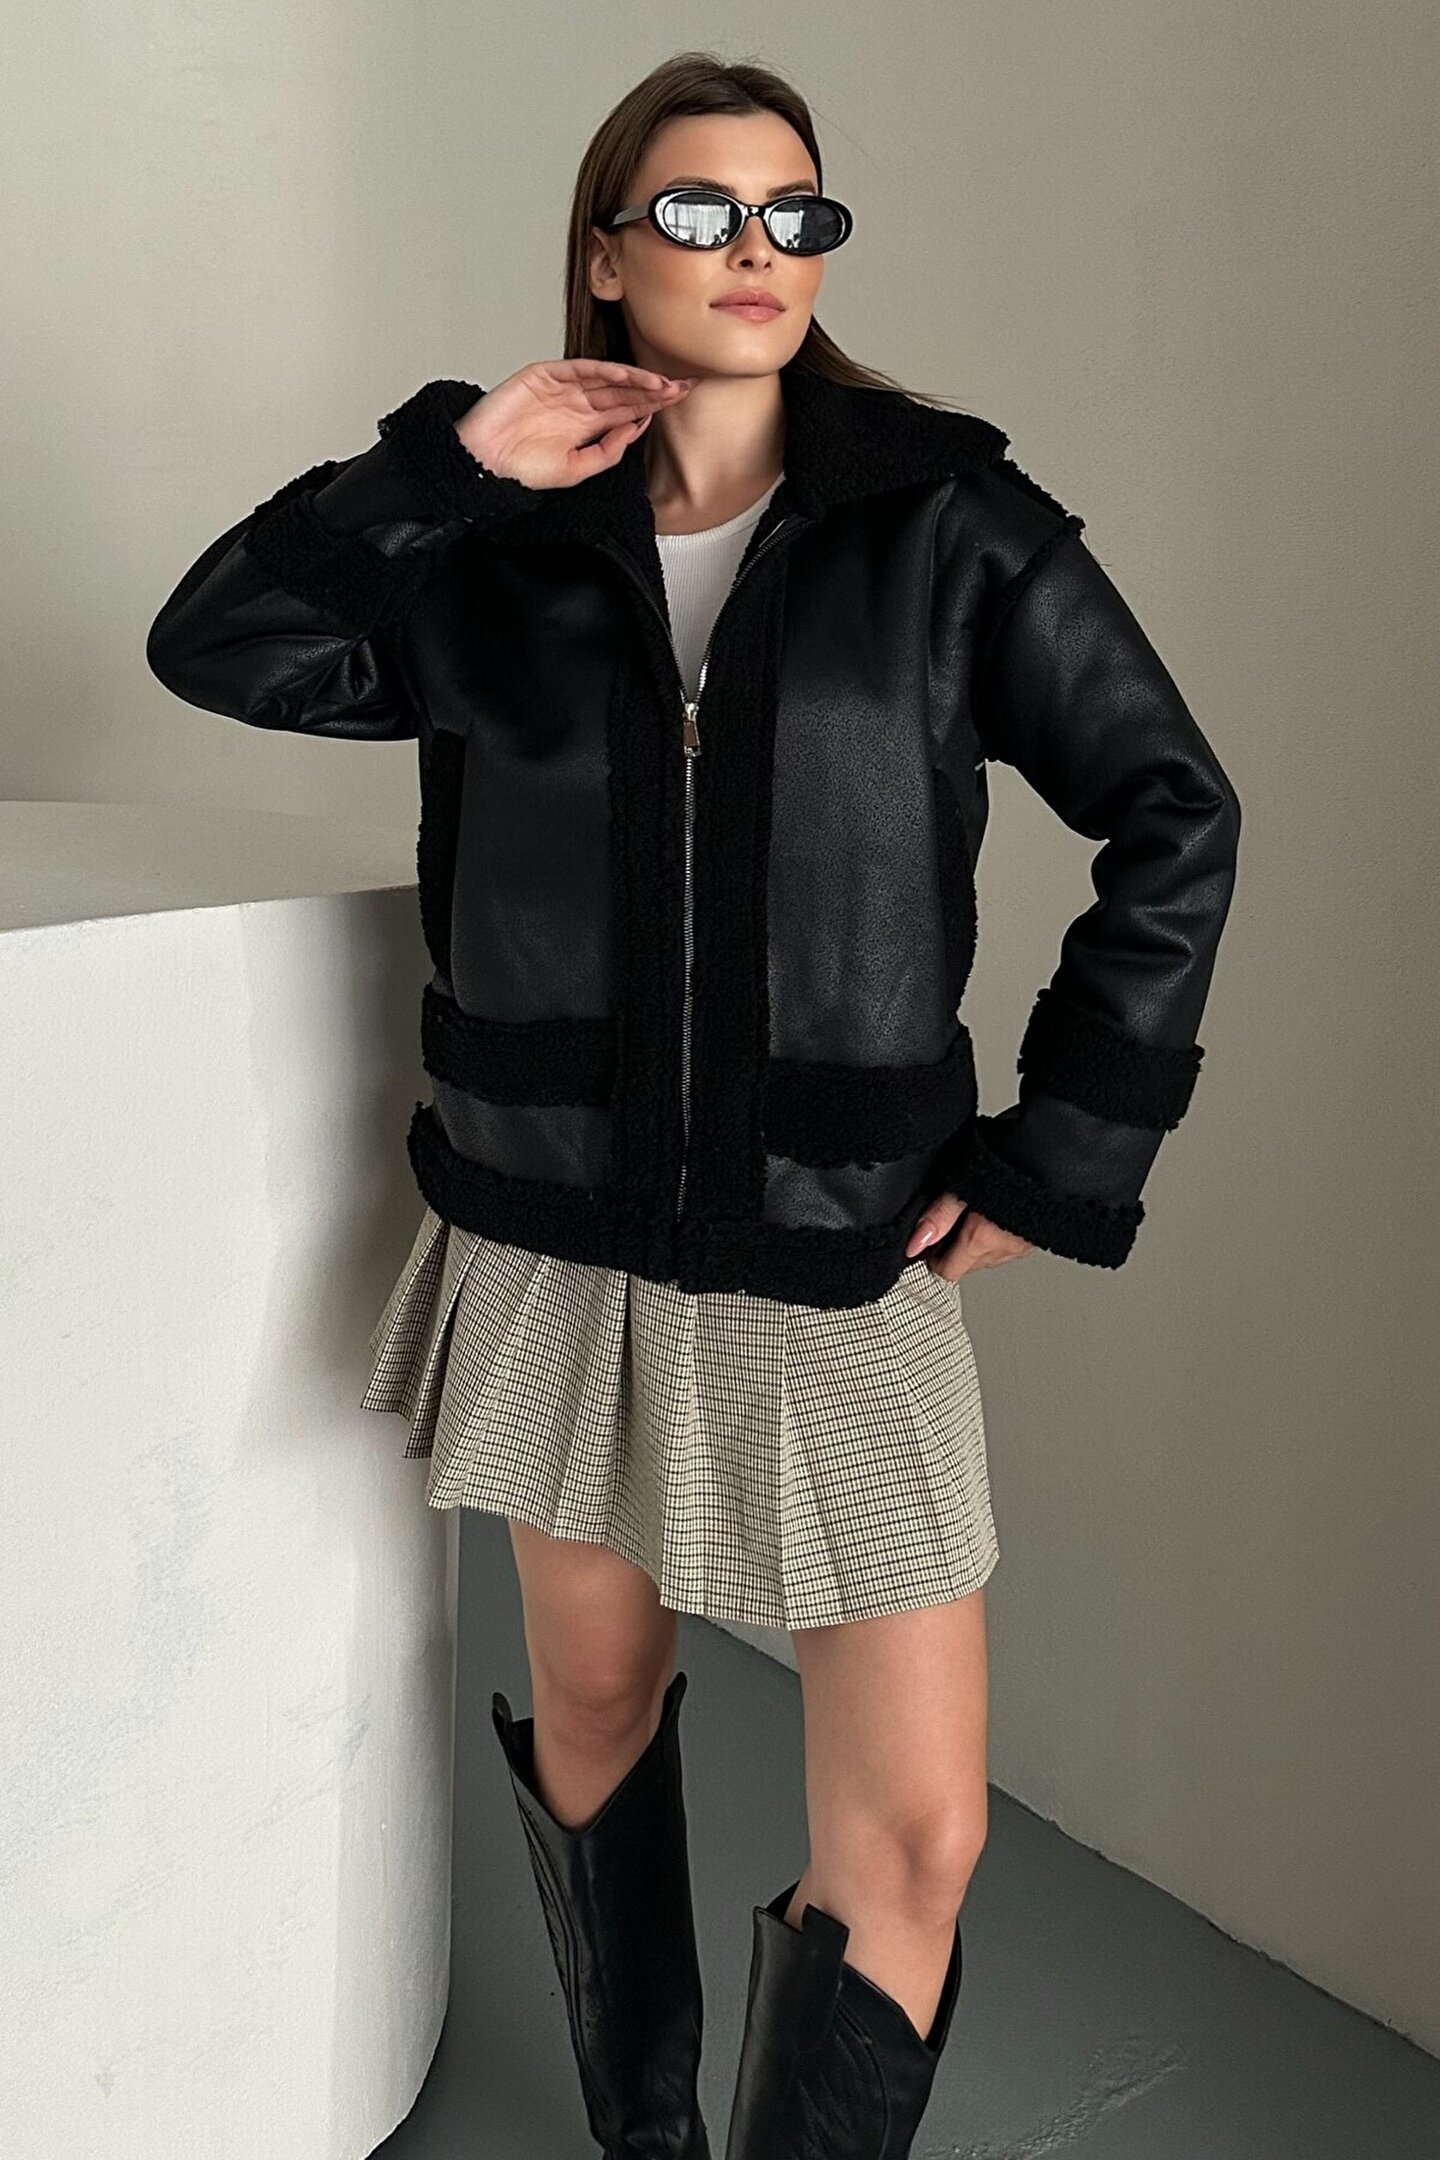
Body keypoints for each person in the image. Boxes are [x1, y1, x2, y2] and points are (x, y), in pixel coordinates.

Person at [145, 48, 1241, 2160]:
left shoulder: (947, 524)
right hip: (550, 1225)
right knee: (592, 1701)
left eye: (796, 214)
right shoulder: (492, 547)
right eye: (704, 209)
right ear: (604, 248)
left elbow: (1175, 810)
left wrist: (1068, 1144)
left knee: (913, 1838)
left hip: (836, 1246)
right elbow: (225, 646)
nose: (760, 250)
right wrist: (453, 463)